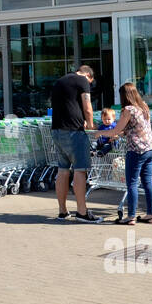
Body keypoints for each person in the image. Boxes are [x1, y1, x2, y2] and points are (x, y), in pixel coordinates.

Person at [49, 64, 101, 222]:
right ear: (88, 76)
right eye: (90, 83)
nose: (89, 86)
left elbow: (68, 105)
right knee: (80, 170)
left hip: (57, 130)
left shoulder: (60, 81)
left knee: (63, 170)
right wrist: (91, 124)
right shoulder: (82, 80)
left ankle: (63, 211)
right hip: (73, 131)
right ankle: (82, 212)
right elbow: (87, 107)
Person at [107, 81, 152, 225]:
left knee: (132, 183)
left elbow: (115, 130)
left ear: (124, 95)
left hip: (136, 150)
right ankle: (150, 214)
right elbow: (136, 128)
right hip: (150, 148)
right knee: (148, 181)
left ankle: (131, 216)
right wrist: (122, 134)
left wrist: (100, 133)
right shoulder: (143, 106)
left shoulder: (128, 110)